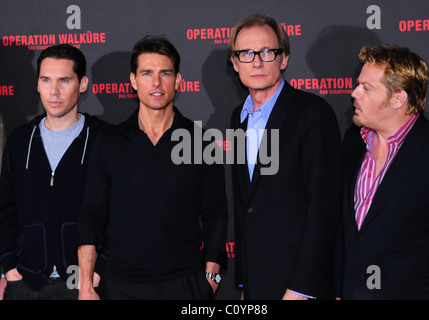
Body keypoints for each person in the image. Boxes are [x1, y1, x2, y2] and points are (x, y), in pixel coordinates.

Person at [77, 35, 228, 300]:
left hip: (186, 286)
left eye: (164, 73)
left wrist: (211, 277)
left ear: (178, 81)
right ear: (133, 81)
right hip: (119, 285)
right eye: (147, 73)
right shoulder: (109, 143)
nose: (156, 83)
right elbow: (91, 214)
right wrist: (86, 284)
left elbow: (216, 214)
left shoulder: (202, 143)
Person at [228, 14, 342, 300]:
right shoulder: (238, 119)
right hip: (257, 282)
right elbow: (246, 205)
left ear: (284, 58)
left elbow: (324, 207)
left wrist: (301, 289)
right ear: (234, 62)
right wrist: (244, 283)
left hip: (300, 286)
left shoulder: (312, 113)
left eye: (267, 52)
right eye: (246, 53)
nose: (256, 62)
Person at [337, 44, 429, 299]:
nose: (354, 93)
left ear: (398, 98)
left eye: (366, 88)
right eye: (358, 84)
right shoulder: (354, 142)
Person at [0, 44, 108, 299]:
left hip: (85, 282)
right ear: (37, 84)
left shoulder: (104, 139)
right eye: (46, 80)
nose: (54, 91)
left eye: (64, 80)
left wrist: (99, 269)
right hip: (26, 282)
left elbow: (120, 212)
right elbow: (6, 210)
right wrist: (9, 267)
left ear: (82, 84)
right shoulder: (19, 141)